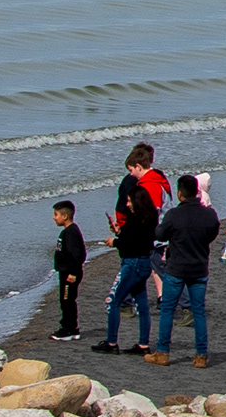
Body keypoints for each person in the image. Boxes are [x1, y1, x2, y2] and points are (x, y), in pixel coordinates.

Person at [95, 145, 165, 355]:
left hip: (133, 262)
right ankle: (143, 343)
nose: (126, 203)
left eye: (128, 200)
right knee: (142, 303)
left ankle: (111, 342)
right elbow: (137, 238)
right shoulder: (149, 218)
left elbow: (128, 243)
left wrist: (114, 241)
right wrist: (120, 233)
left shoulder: (136, 221)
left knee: (113, 301)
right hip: (144, 262)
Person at [156, 173, 221, 365]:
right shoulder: (209, 214)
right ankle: (201, 355)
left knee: (167, 309)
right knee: (198, 311)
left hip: (177, 267)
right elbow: (213, 232)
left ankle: (162, 352)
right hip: (199, 267)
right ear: (197, 192)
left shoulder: (174, 215)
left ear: (179, 193)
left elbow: (159, 234)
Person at [50, 201, 87, 343]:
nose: (54, 218)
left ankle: (67, 329)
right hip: (66, 272)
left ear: (65, 216)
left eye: (56, 214)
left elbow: (78, 255)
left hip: (70, 273)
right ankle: (72, 328)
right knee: (66, 300)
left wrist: (73, 273)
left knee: (67, 301)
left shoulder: (71, 232)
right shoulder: (67, 231)